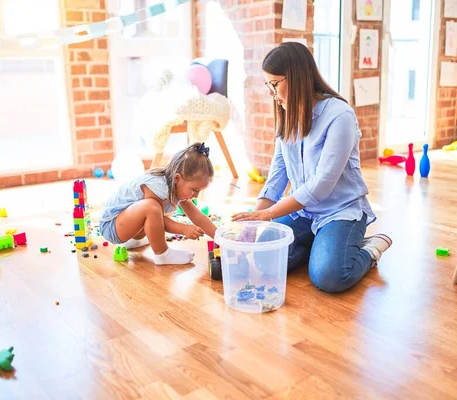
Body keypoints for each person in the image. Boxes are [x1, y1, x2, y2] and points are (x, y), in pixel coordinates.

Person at [232, 42, 392, 293]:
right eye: (268, 85)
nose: (272, 92)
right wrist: (254, 221)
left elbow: (321, 186)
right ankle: (325, 246)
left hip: (340, 211)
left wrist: (270, 215)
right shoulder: (287, 112)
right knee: (265, 257)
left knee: (329, 277)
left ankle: (368, 248)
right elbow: (278, 174)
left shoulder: (340, 116)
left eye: (274, 84)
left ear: (296, 78)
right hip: (304, 213)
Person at [100, 142, 217, 265]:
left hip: (125, 224)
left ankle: (134, 241)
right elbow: (159, 219)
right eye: (194, 190)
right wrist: (184, 229)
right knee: (152, 208)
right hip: (111, 226)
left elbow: (198, 217)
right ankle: (163, 254)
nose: (196, 195)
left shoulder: (178, 186)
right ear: (177, 178)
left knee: (153, 211)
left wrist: (220, 238)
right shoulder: (158, 185)